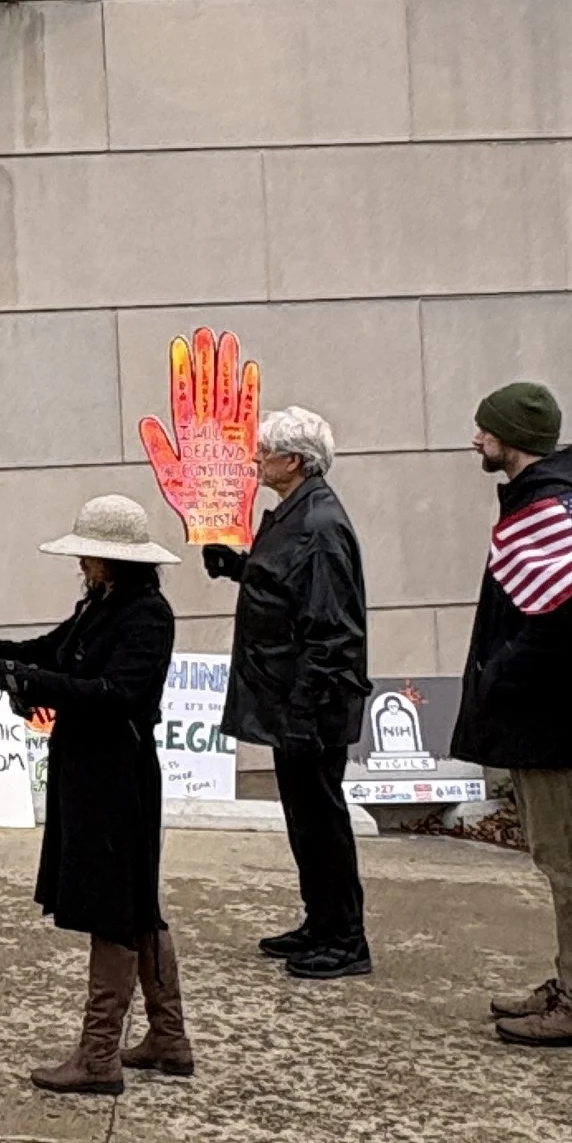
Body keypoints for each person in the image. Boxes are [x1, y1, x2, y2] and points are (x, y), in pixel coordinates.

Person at [0, 493, 191, 1094]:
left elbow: (115, 692)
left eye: (89, 557)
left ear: (112, 560)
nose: (82, 567)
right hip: (90, 768)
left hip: (116, 775)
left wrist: (33, 680)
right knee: (137, 901)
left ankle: (99, 1056)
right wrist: (1, 652)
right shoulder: (104, 605)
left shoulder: (146, 614)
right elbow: (54, 649)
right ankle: (168, 1036)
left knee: (114, 909)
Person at [451, 382, 572, 1050]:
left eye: (485, 429)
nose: (476, 439)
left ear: (510, 439)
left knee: (567, 858)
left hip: (547, 718)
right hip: (540, 713)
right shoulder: (550, 499)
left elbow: (564, 625)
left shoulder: (556, 507)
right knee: (558, 856)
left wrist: (499, 671)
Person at [207, 405, 373, 981]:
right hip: (287, 699)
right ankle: (320, 921)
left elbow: (333, 631)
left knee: (322, 820)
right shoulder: (293, 515)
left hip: (311, 707)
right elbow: (287, 587)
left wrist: (305, 710)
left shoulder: (321, 527)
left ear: (295, 461)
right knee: (305, 820)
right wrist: (241, 568)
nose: (257, 458)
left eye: (266, 451)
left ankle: (346, 937)